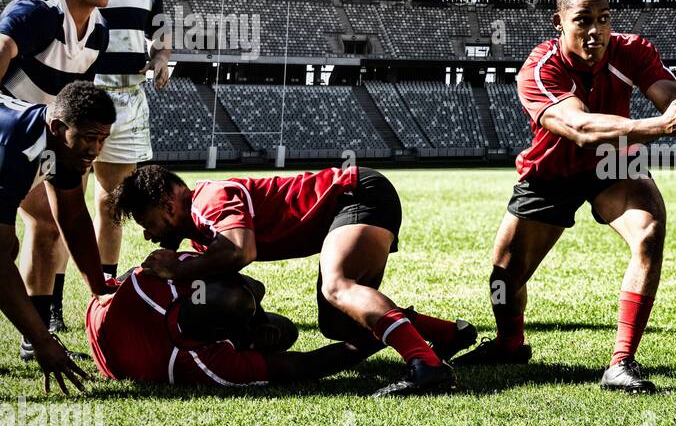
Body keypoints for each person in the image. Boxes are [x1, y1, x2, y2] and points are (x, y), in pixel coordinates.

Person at [454, 0, 676, 393]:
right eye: (583, 21)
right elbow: (580, 127)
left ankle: (621, 362)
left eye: (604, 19)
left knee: (648, 232)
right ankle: (509, 344)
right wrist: (659, 127)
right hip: (551, 172)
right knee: (503, 278)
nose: (596, 31)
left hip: (613, 164)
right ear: (559, 22)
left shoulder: (633, 50)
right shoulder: (540, 68)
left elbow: (669, 98)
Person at [110, 164, 477, 397]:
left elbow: (241, 251)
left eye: (147, 225)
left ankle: (427, 367)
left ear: (168, 207)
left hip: (355, 194)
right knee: (338, 323)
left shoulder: (209, 199)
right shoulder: (201, 234)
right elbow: (240, 287)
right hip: (348, 206)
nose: (148, 236)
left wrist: (178, 269)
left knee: (338, 286)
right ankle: (447, 333)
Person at [45, 0, 170, 322]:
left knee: (111, 204)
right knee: (66, 200)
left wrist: (160, 56)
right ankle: (54, 303)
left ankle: (106, 299)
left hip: (129, 95)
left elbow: (159, 32)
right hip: (83, 95)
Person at [0, 0, 122, 358]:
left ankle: (35, 335)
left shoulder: (100, 31)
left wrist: (100, 291)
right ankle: (38, 336)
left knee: (53, 224)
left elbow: (76, 102)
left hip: (47, 137)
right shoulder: (37, 12)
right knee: (7, 243)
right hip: (13, 135)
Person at [0, 82, 119, 393]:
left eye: (102, 139)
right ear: (57, 127)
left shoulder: (61, 146)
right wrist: (42, 340)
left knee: (8, 245)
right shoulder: (13, 147)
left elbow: (73, 218)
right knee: (5, 247)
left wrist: (99, 290)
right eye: (89, 138)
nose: (95, 150)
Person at [88, 263, 380, 388]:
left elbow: (251, 285)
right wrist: (380, 335)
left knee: (283, 330)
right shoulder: (203, 364)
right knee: (284, 334)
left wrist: (255, 316)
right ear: (222, 339)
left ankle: (253, 326)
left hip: (108, 315)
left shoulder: (157, 282)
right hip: (119, 346)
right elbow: (303, 366)